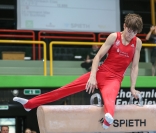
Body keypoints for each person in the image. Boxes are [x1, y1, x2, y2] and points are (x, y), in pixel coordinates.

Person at [13, 13, 143, 130]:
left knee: (110, 100)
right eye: (129, 30)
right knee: (64, 90)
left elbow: (135, 66)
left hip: (115, 78)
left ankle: (108, 120)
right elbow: (97, 57)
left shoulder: (137, 43)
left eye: (134, 32)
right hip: (100, 73)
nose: (130, 34)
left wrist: (132, 87)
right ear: (124, 26)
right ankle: (30, 104)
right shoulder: (114, 37)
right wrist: (92, 77)